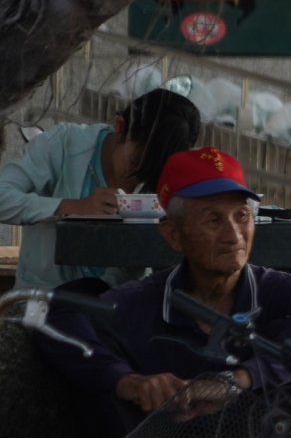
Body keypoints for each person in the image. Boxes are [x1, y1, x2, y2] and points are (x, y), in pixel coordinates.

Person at [37, 148, 291, 436]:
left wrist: (236, 380)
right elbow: (54, 318)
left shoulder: (283, 293)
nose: (234, 235)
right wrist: (125, 381)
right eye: (214, 219)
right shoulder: (145, 301)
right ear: (173, 234)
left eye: (242, 216)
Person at [0, 90, 201, 289]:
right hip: (40, 302)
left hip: (115, 307)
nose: (140, 177)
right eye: (136, 162)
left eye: (153, 172)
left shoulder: (160, 178)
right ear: (120, 126)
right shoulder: (64, 144)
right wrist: (71, 207)